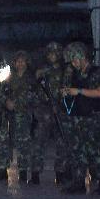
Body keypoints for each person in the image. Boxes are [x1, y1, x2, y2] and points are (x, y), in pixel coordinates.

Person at [60, 42, 100, 195]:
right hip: (79, 116)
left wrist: (79, 91)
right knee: (77, 150)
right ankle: (79, 182)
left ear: (82, 57)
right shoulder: (75, 74)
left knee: (97, 150)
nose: (74, 63)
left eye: (75, 59)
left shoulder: (96, 72)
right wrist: (68, 92)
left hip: (94, 117)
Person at [0, 51, 41, 184]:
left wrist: (18, 103)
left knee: (23, 143)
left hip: (24, 115)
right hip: (8, 115)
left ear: (27, 62)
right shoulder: (8, 77)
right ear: (14, 63)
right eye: (18, 61)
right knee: (4, 141)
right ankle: (3, 170)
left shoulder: (31, 78)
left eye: (23, 61)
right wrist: (6, 101)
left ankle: (23, 171)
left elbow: (35, 96)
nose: (20, 63)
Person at [34, 42, 73, 185]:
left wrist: (61, 103)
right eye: (50, 53)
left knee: (63, 142)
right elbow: (37, 90)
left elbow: (69, 89)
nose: (52, 56)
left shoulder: (66, 71)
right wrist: (46, 101)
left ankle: (61, 171)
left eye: (55, 53)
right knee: (40, 141)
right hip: (45, 110)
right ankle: (35, 172)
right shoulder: (43, 71)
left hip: (61, 110)